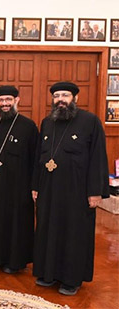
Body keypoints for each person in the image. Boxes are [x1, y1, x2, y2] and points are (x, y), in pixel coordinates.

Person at [31, 82, 109, 295]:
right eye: (57, 96)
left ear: (75, 98)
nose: (60, 99)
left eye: (65, 95)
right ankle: (48, 273)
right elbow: (41, 157)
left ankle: (71, 279)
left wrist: (95, 191)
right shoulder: (47, 123)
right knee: (47, 230)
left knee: (73, 233)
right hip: (49, 189)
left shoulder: (89, 121)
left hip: (77, 191)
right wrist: (36, 186)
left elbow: (98, 158)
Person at [0, 86, 38, 273]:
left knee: (15, 224)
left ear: (17, 100)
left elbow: (35, 159)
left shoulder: (28, 126)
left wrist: (33, 186)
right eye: (1, 100)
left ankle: (14, 262)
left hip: (17, 187)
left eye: (8, 100)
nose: (4, 104)